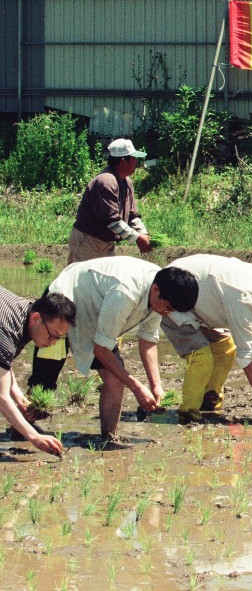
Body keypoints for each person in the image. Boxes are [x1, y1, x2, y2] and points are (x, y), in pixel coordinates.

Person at [29, 258, 198, 442]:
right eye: (167, 308)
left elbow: (148, 340)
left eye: (171, 310)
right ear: (156, 290)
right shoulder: (126, 292)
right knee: (44, 379)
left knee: (116, 379)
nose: (167, 313)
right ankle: (22, 428)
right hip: (65, 301)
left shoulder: (160, 295)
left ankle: (109, 438)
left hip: (97, 316)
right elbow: (101, 349)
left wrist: (156, 385)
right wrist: (137, 387)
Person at [162, 255, 252, 424]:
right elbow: (247, 359)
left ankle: (208, 403)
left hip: (202, 303)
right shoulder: (245, 298)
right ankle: (189, 414)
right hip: (171, 296)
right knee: (201, 357)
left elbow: (246, 344)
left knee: (226, 349)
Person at [0, 290, 76, 455]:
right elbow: (2, 396)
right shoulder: (8, 329)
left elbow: (3, 364)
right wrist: (34, 436)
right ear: (36, 319)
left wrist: (21, 399)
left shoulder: (24, 316)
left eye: (59, 338)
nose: (53, 343)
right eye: (52, 336)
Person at [69, 137, 152, 264]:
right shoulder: (105, 182)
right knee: (83, 280)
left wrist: (143, 234)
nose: (136, 162)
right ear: (124, 161)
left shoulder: (126, 181)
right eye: (134, 158)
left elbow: (132, 215)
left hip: (106, 242)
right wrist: (137, 238)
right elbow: (112, 221)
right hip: (88, 241)